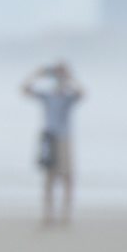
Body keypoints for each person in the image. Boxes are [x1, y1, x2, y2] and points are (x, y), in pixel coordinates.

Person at [22, 62, 83, 226]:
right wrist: (38, 74)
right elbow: (25, 90)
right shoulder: (48, 96)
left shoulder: (68, 97)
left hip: (65, 139)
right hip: (50, 138)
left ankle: (65, 216)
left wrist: (70, 77)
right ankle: (48, 215)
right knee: (49, 178)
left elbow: (82, 94)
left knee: (67, 177)